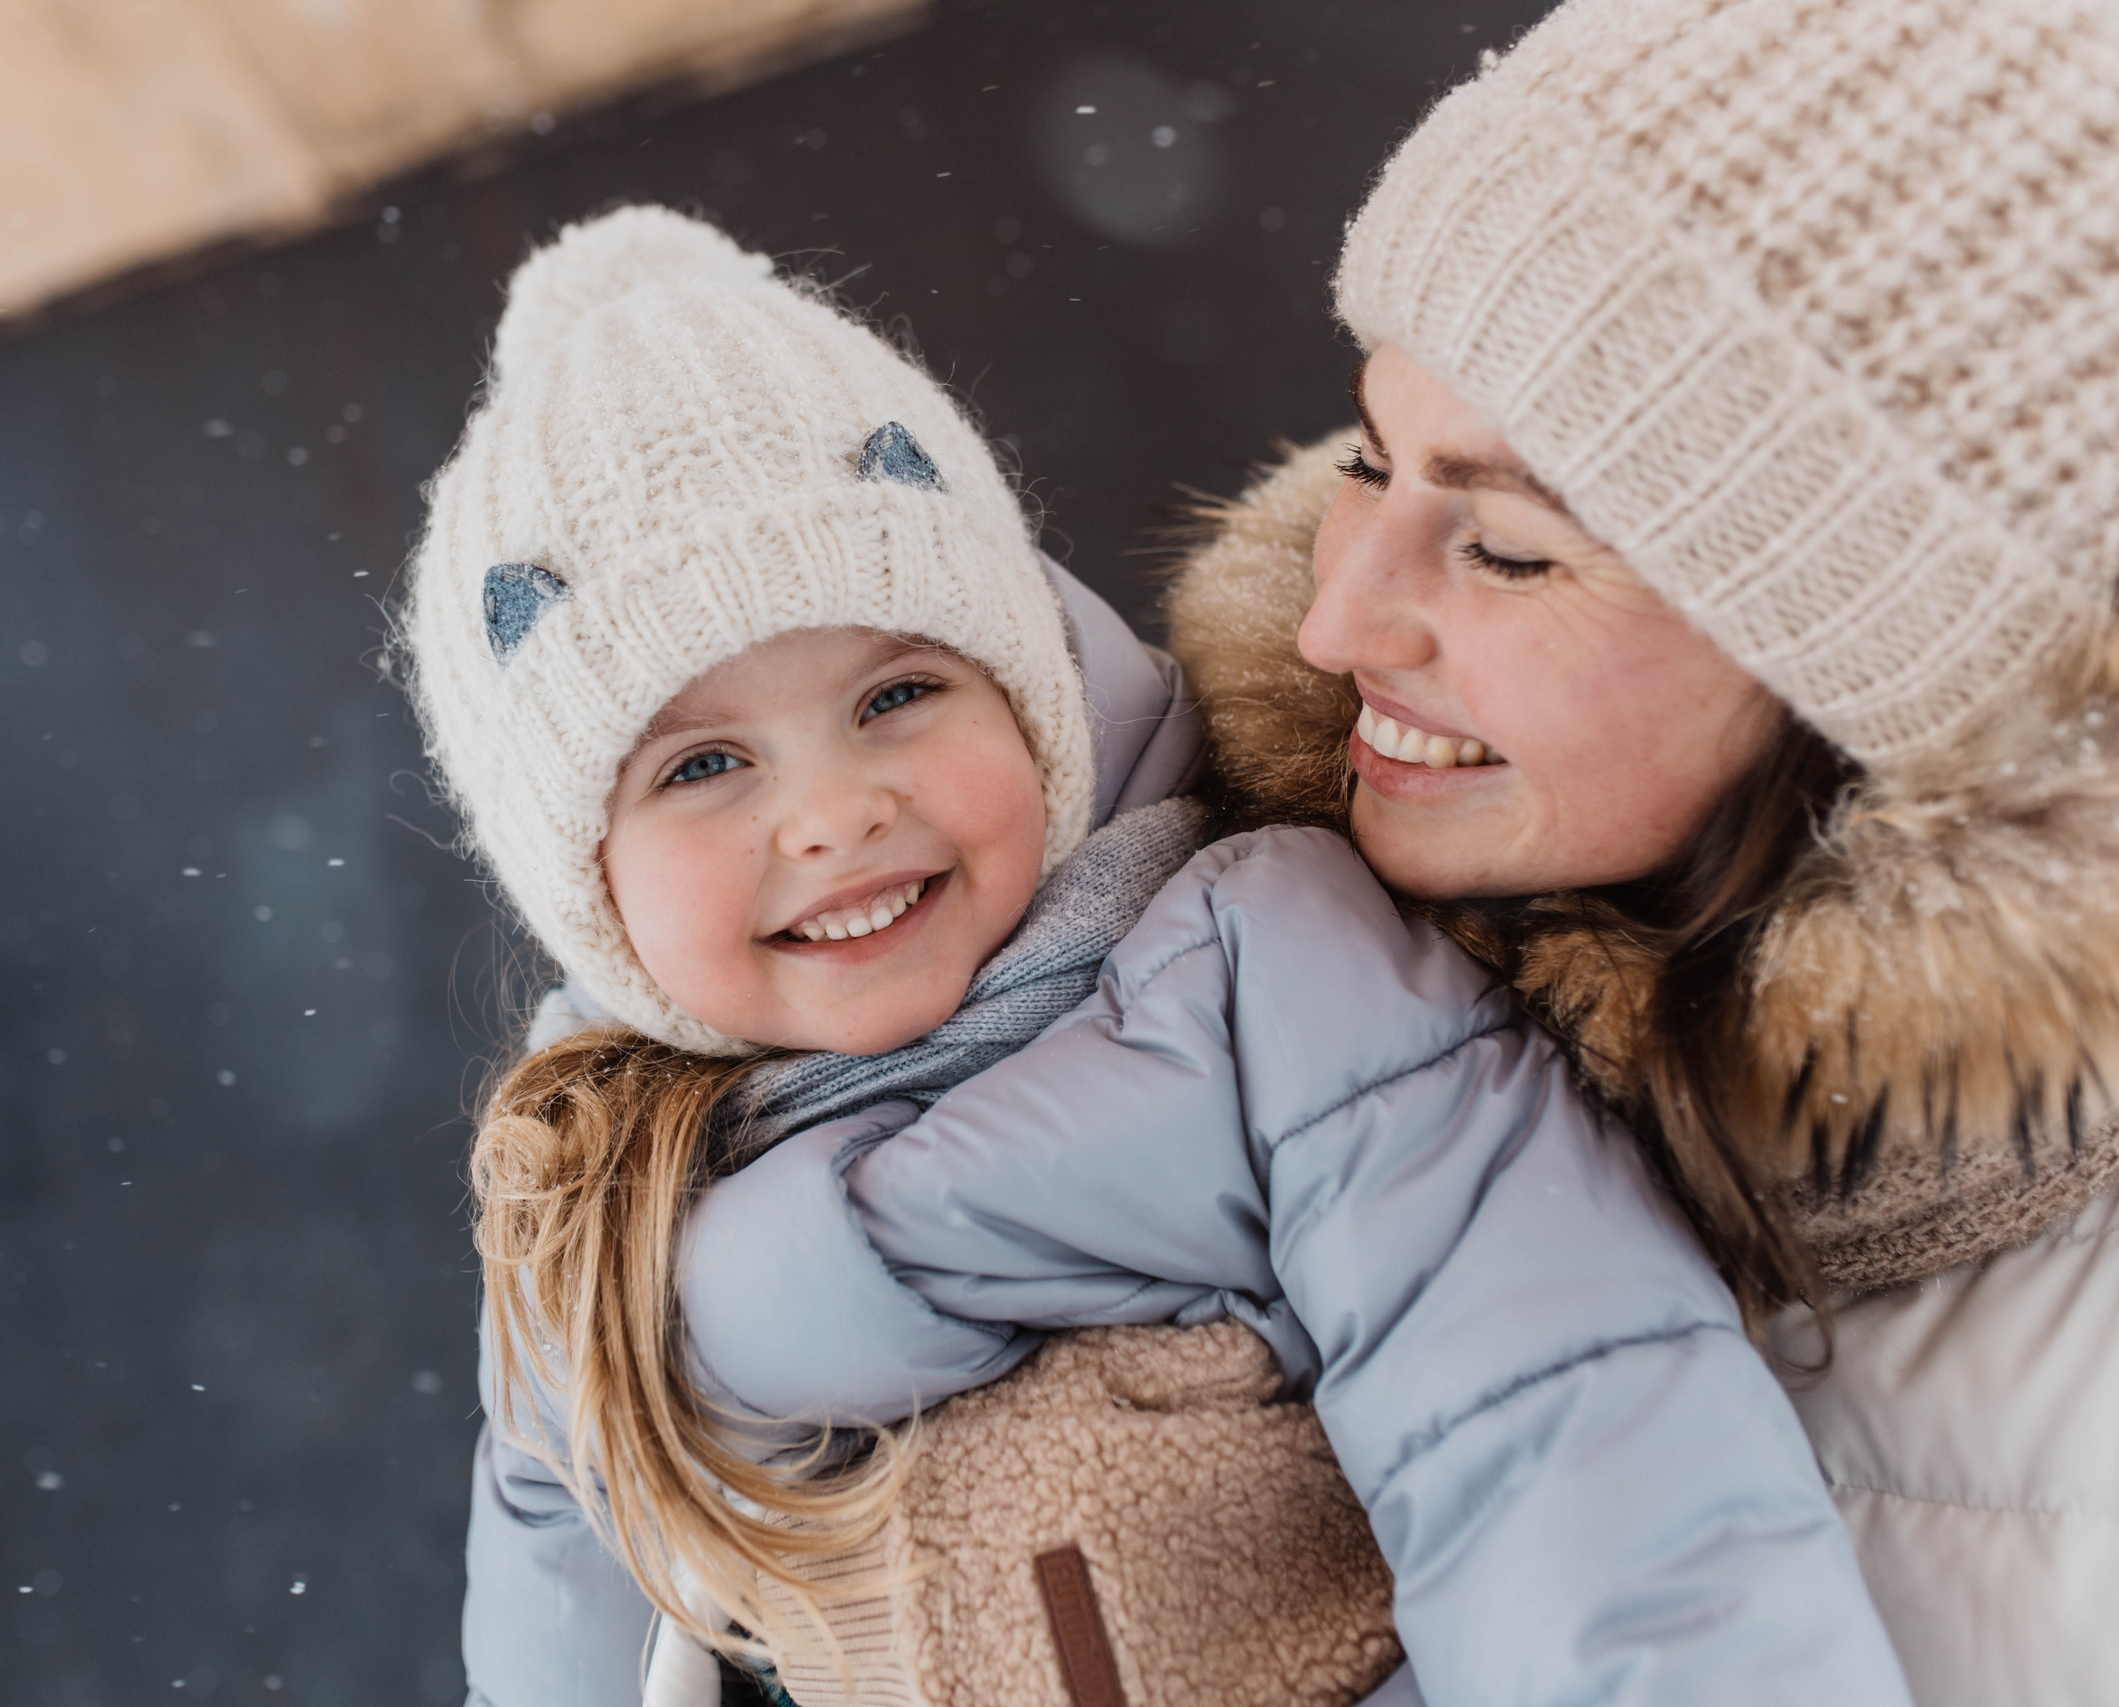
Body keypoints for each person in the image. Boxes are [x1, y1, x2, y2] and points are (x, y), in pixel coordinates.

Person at [681, 0, 2119, 1702]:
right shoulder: (1122, 913)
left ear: (1880, 663)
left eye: (1504, 549)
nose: (1337, 620)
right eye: (1371, 459)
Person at [406, 210, 1909, 1705]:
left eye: (898, 696)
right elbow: (555, 1636)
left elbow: (1564, 1438)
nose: (834, 814)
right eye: (702, 766)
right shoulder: (591, 1191)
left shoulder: (1273, 972)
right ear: (583, 884)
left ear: (1036, 698)